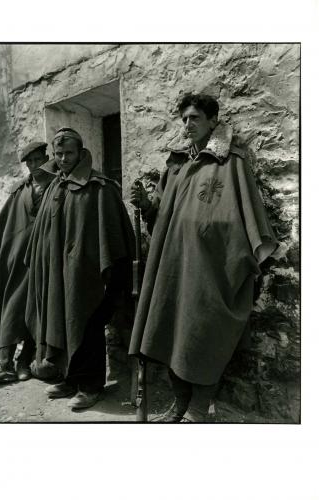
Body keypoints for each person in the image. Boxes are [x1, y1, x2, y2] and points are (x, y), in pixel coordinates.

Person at [129, 93, 278, 422]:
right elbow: (161, 213)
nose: (188, 124)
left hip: (210, 270)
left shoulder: (231, 162)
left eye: (195, 118)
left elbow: (248, 218)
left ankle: (198, 409)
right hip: (172, 266)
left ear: (213, 121)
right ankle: (179, 403)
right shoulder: (177, 164)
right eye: (184, 119)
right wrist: (146, 204)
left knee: (203, 335)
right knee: (169, 331)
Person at [24, 128, 135, 410]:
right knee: (63, 321)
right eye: (59, 154)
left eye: (69, 153)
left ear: (81, 152)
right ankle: (70, 379)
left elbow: (113, 234)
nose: (63, 159)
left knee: (86, 326)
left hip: (91, 276)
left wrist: (111, 275)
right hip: (60, 273)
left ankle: (90, 386)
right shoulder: (55, 186)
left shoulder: (100, 187)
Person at [0, 141, 58, 389]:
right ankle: (4, 365)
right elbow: (8, 224)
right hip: (20, 262)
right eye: (29, 162)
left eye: (37, 160)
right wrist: (5, 254)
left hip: (45, 261)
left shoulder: (57, 184)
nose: (34, 166)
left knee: (39, 311)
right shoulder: (21, 190)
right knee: (12, 307)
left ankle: (24, 361)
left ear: (46, 157)